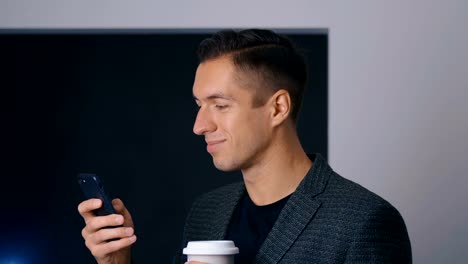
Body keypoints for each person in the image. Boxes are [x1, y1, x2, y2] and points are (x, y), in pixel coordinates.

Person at [78, 29, 412, 264]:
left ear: (278, 108)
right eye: (199, 104)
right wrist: (117, 262)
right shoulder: (206, 212)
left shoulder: (363, 221)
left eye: (220, 105)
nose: (199, 126)